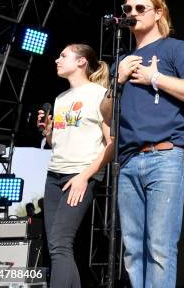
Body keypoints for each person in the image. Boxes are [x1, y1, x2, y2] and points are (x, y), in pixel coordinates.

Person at [100, 0, 184, 287]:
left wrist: (156, 78)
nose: (132, 14)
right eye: (128, 9)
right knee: (133, 250)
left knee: (160, 247)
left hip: (165, 157)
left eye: (140, 8)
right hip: (128, 161)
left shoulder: (176, 49)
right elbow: (106, 114)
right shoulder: (121, 61)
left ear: (159, 12)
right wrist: (118, 80)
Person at [37, 43, 113, 287]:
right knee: (58, 247)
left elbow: (112, 143)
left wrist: (84, 177)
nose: (57, 60)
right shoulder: (60, 99)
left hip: (80, 176)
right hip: (53, 176)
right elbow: (59, 142)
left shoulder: (99, 94)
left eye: (63, 56)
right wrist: (48, 133)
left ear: (81, 62)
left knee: (60, 243)